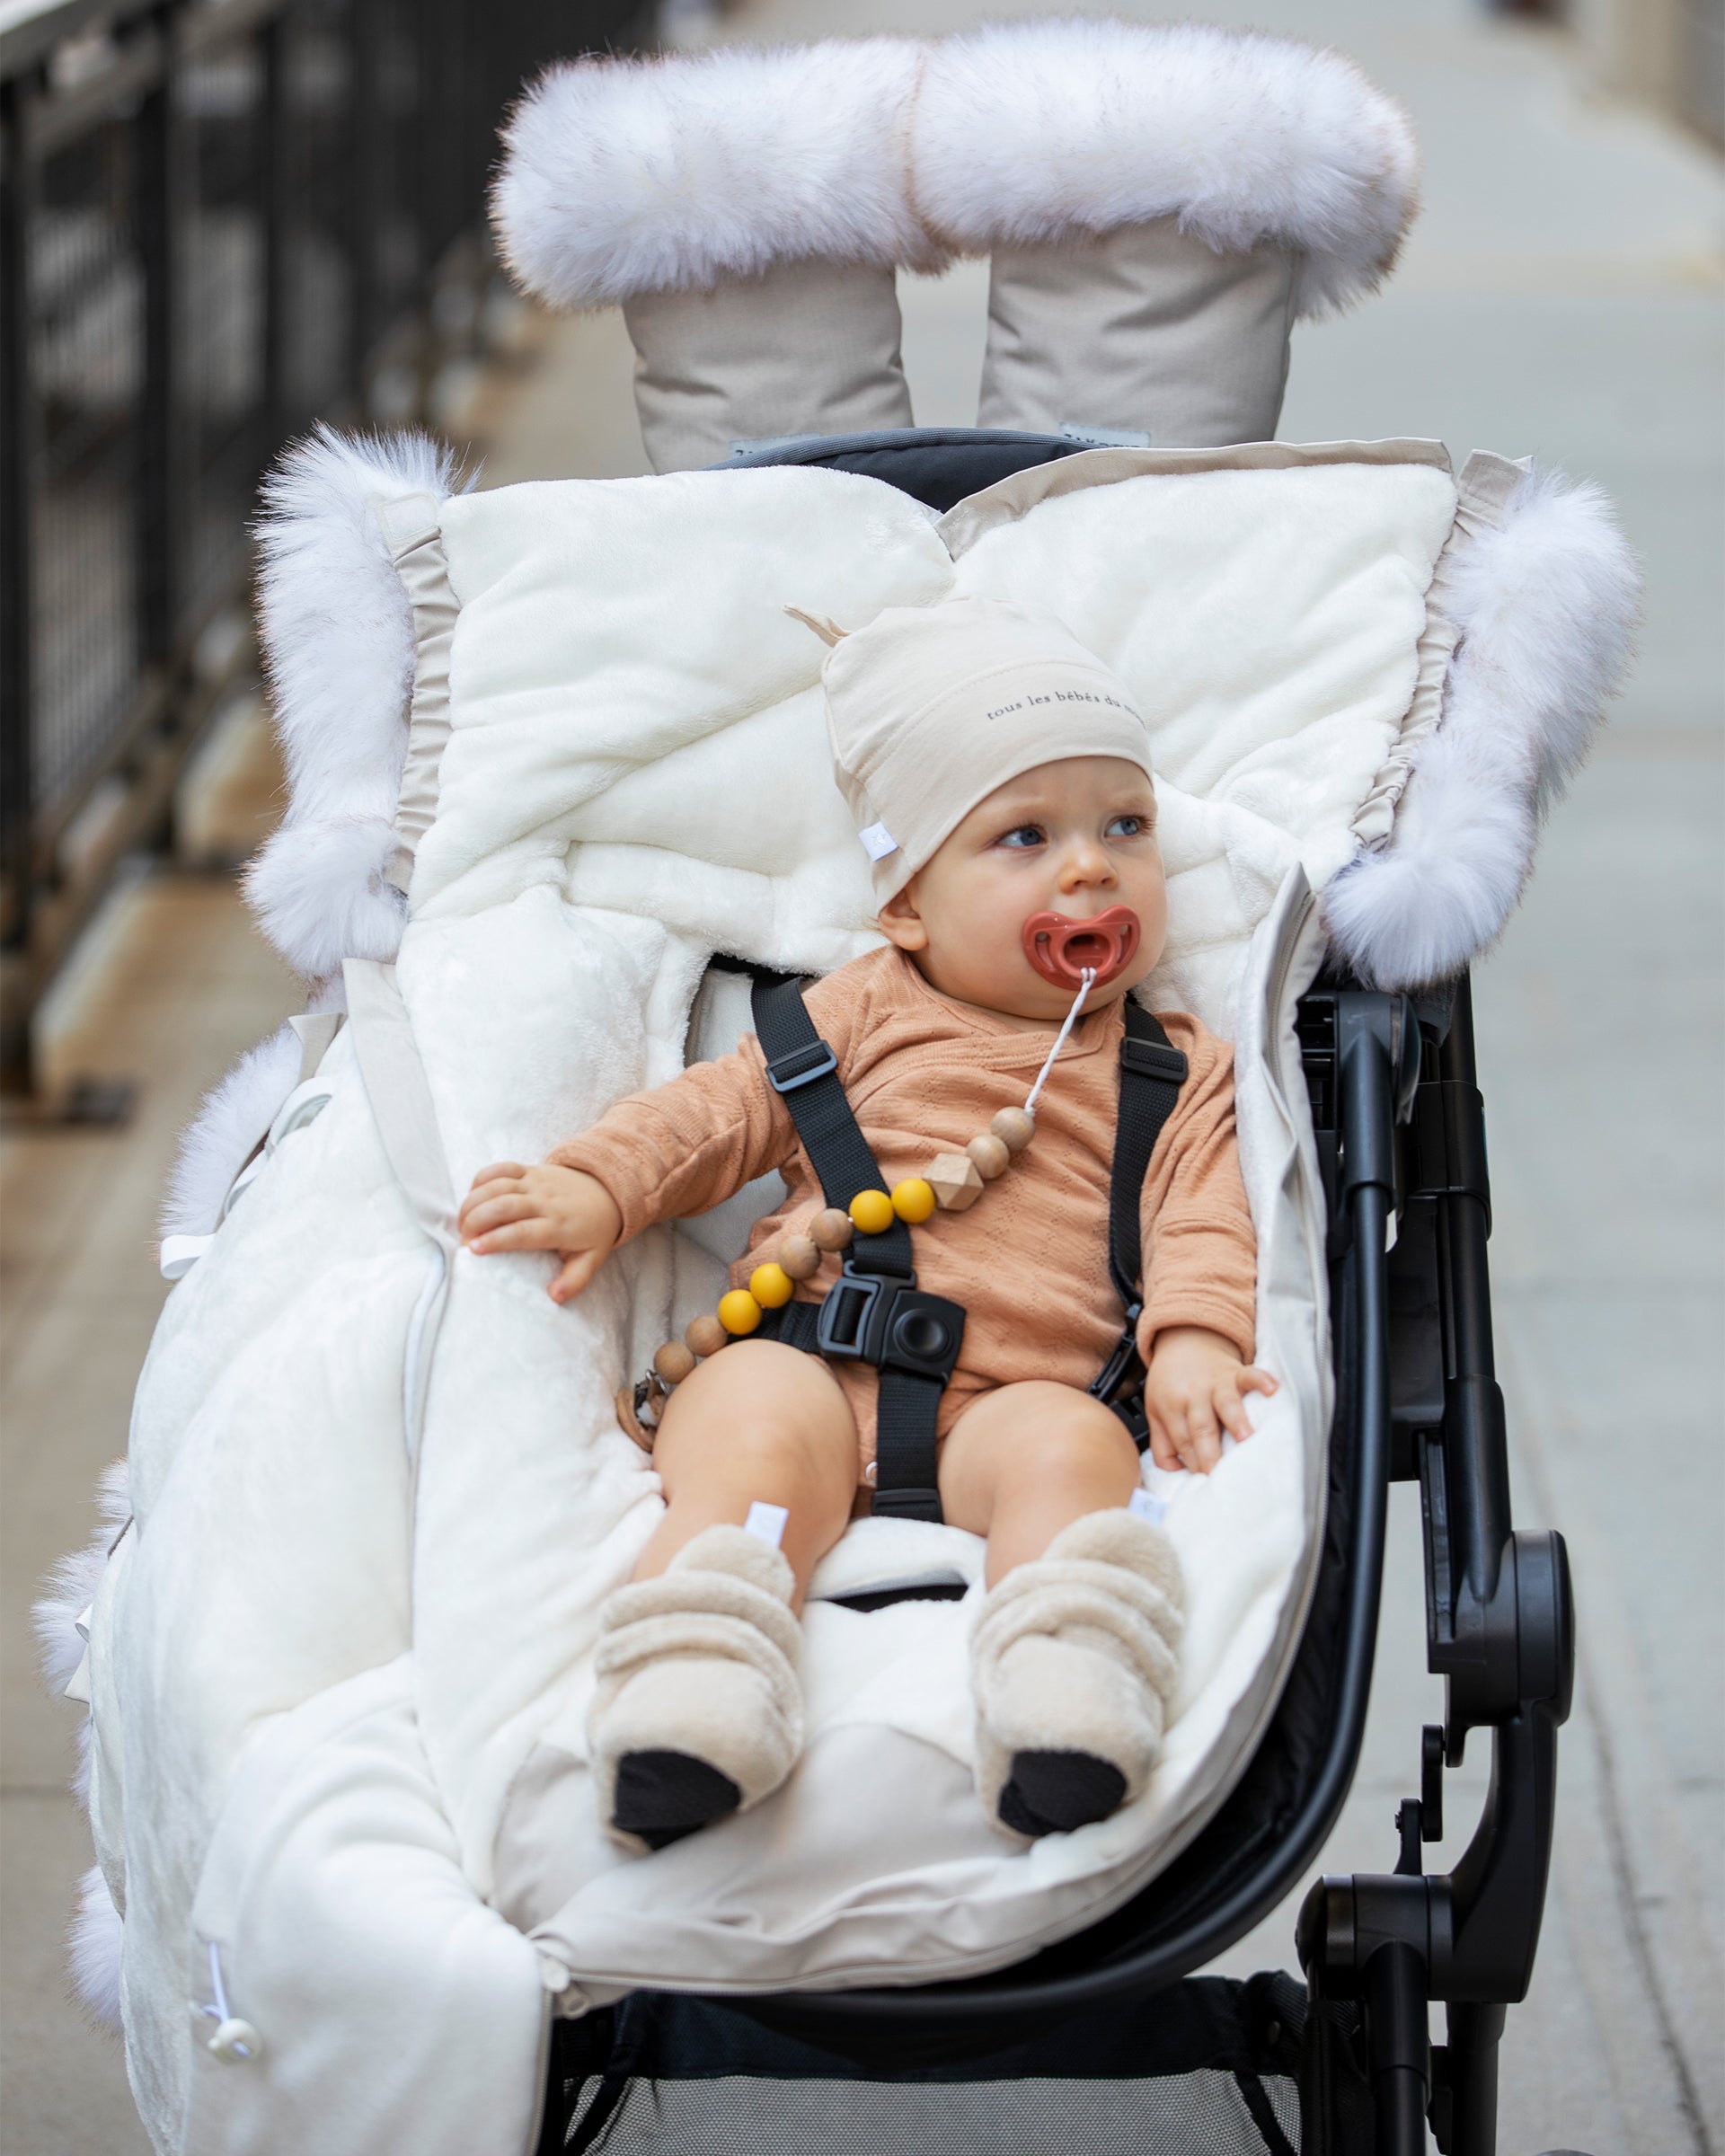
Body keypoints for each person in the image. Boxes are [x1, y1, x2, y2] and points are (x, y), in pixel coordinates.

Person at [458, 598, 1276, 1852]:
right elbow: (713, 1116)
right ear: (905, 906)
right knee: (746, 1452)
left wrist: (1196, 1339)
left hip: (1010, 1408)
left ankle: (1061, 1690)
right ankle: (699, 1691)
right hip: (813, 1367)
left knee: (1075, 1457)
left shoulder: (1176, 1068)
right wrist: (606, 1184)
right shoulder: (859, 1010)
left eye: (1128, 825)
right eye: (1023, 836)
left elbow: (1202, 1217)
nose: (1091, 867)